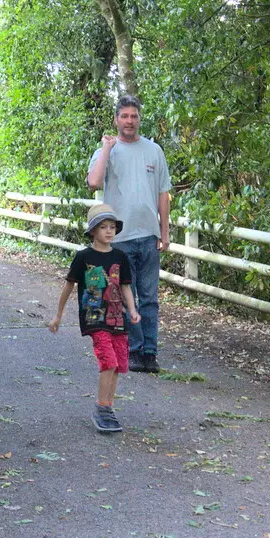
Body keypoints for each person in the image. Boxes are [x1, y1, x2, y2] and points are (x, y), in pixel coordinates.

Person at [85, 95, 171, 373]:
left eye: (134, 116)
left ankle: (150, 353)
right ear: (116, 119)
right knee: (123, 297)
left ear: (139, 119)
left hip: (148, 235)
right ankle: (134, 351)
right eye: (125, 116)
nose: (130, 121)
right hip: (118, 237)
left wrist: (164, 231)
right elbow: (94, 182)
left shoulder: (154, 151)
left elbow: (163, 193)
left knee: (149, 298)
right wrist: (107, 148)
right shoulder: (107, 150)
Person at [47, 203, 142, 433]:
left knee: (119, 364)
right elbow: (69, 286)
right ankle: (101, 408)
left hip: (118, 318)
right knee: (107, 361)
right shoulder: (83, 257)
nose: (109, 231)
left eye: (112, 227)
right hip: (94, 317)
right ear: (93, 232)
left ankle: (108, 407)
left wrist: (132, 310)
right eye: (103, 227)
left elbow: (127, 286)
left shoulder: (120, 257)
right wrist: (58, 315)